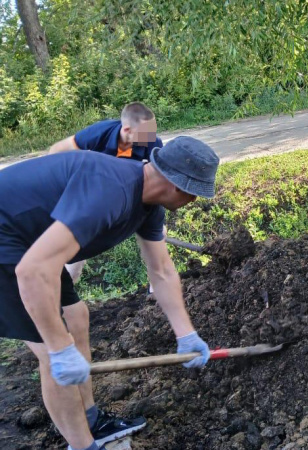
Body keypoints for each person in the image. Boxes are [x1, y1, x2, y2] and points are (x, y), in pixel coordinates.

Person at [0, 136, 219, 450]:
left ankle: (90, 419)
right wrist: (60, 349)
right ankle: (82, 445)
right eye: (194, 193)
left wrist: (186, 334)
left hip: (32, 243)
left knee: (76, 317)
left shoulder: (148, 206)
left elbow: (161, 270)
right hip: (9, 243)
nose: (194, 201)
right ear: (176, 186)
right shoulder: (111, 191)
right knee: (51, 352)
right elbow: (32, 271)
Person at [49, 102, 164, 284]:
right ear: (127, 130)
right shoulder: (100, 132)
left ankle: (156, 290)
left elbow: (159, 182)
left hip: (132, 200)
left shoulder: (153, 143)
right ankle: (62, 292)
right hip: (95, 201)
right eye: (146, 132)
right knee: (74, 256)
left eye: (153, 130)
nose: (152, 136)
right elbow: (57, 151)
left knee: (159, 234)